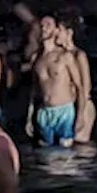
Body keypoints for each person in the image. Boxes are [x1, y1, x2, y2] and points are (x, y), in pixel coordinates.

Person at [27, 19, 80, 147]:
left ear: (56, 30)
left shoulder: (65, 56)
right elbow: (34, 89)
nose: (44, 28)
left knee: (66, 156)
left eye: (48, 25)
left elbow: (79, 87)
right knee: (46, 154)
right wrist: (29, 118)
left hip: (64, 110)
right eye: (42, 25)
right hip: (44, 111)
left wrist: (81, 116)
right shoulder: (36, 58)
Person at [56, 10, 96, 143]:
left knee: (81, 145)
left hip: (82, 106)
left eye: (59, 30)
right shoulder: (58, 55)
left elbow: (86, 87)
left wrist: (80, 114)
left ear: (69, 32)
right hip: (68, 106)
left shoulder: (79, 55)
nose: (56, 33)